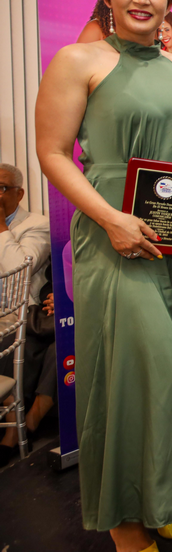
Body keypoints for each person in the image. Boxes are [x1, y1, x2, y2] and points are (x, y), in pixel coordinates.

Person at [34, 0, 172, 552]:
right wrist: (112, 219)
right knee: (137, 372)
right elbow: (53, 154)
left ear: (170, 0)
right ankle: (124, 520)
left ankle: (164, 497)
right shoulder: (78, 60)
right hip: (114, 234)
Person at [0, 163, 53, 467]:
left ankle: (17, 428)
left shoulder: (37, 224)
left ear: (19, 193)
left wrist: (1, 227)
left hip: (22, 316)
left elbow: (18, 273)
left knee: (14, 342)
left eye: (1, 188)